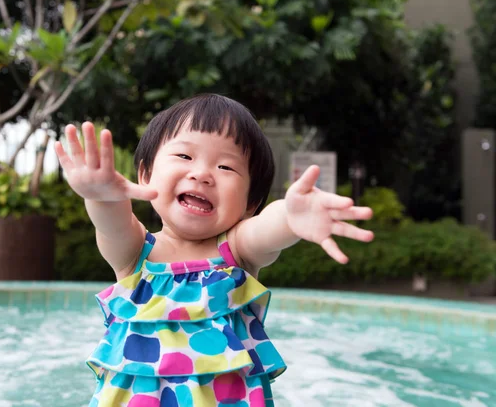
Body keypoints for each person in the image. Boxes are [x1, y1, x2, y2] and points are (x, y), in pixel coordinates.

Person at [55, 94, 374, 407]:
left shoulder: (236, 250)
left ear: (250, 203)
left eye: (225, 166)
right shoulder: (137, 253)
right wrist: (101, 197)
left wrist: (290, 217)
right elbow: (113, 224)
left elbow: (266, 230)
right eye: (184, 157)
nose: (202, 174)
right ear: (146, 175)